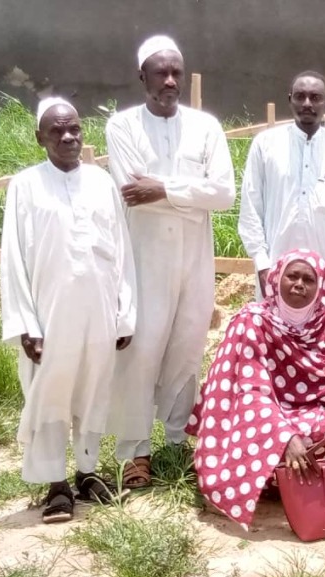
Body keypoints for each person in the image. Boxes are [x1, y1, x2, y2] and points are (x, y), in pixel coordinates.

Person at [103, 35, 237, 488]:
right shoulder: (122, 127)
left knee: (187, 345)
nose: (170, 80)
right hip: (143, 261)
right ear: (142, 76)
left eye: (176, 71)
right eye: (160, 72)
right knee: (141, 350)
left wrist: (163, 189)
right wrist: (189, 193)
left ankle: (176, 442)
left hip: (194, 259)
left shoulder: (206, 127)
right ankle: (133, 450)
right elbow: (130, 192)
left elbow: (224, 194)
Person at [0, 97, 137, 523]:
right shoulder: (25, 185)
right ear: (41, 137)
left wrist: (125, 310)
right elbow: (14, 260)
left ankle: (88, 472)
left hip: (98, 309)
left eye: (74, 128)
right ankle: (56, 484)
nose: (68, 137)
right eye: (57, 131)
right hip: (49, 314)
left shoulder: (102, 183)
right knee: (52, 394)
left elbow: (122, 252)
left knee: (94, 389)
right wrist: (26, 323)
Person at [183, 249, 325, 529]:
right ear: (276, 280)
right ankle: (275, 481)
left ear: (321, 287)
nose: (299, 284)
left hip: (309, 411)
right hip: (260, 413)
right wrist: (282, 437)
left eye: (308, 279)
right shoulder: (253, 321)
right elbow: (251, 391)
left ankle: (297, 480)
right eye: (292, 276)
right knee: (268, 436)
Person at [237, 70, 325, 312]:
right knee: (275, 343)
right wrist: (263, 265)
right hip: (276, 271)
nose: (307, 103)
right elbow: (250, 210)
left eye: (315, 97)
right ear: (290, 99)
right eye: (300, 96)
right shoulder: (266, 146)